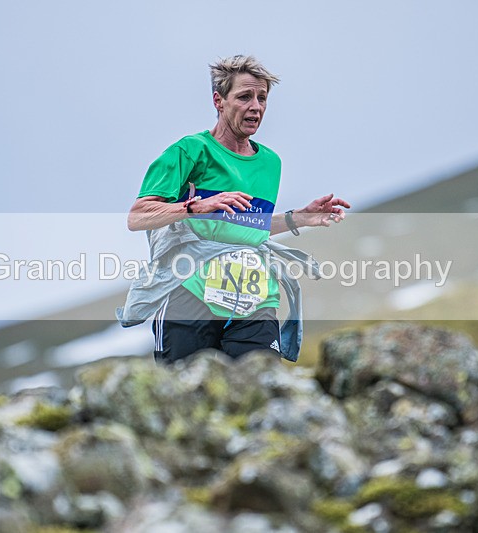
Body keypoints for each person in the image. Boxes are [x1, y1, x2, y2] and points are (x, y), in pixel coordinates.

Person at [119, 55, 350, 365]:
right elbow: (138, 217)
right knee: (189, 400)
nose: (256, 106)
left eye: (262, 98)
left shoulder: (271, 163)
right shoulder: (190, 151)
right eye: (244, 97)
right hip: (191, 293)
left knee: (259, 390)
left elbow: (245, 227)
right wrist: (195, 207)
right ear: (219, 101)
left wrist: (300, 218)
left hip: (255, 297)